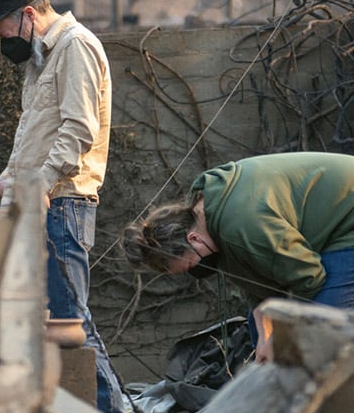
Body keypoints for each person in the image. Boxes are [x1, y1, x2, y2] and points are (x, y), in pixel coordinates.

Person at [0, 0, 131, 413]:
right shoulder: (42, 57)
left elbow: (78, 130)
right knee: (49, 321)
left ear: (28, 15)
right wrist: (10, 178)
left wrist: (39, 185)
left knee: (72, 322)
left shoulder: (76, 46)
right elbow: (33, 131)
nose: (2, 41)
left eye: (2, 31)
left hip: (63, 203)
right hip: (40, 203)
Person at [121, 151, 354, 362]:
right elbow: (258, 289)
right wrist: (265, 336)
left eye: (192, 265)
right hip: (326, 230)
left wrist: (281, 338)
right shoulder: (210, 223)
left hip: (347, 219)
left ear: (193, 239)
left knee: (321, 326)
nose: (197, 271)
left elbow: (309, 279)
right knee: (260, 326)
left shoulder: (243, 226)